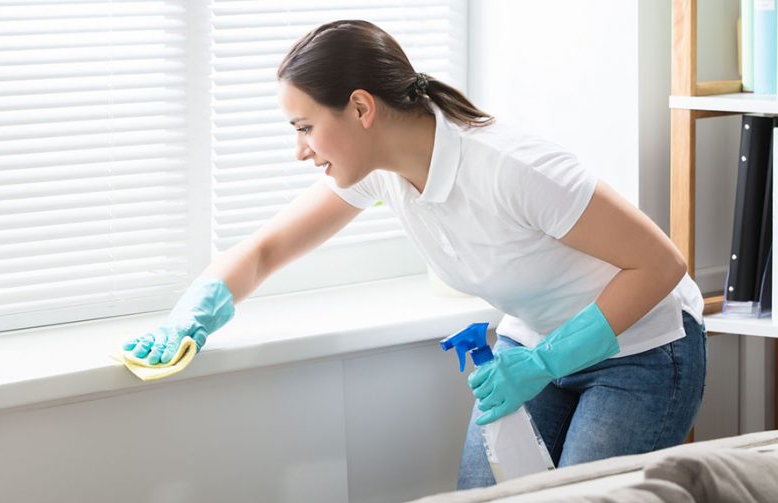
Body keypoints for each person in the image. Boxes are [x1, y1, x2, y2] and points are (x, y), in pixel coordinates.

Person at [123, 19, 707, 489]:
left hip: (643, 350)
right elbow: (265, 249)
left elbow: (661, 265)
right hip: (531, 348)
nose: (299, 150)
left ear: (360, 108)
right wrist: (190, 317)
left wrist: (548, 362)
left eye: (304, 127)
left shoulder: (511, 168)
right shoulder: (382, 173)